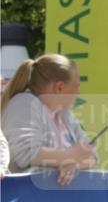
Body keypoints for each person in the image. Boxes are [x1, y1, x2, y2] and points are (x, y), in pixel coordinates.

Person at [1, 54, 98, 186]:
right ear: (59, 87)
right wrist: (70, 156)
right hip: (23, 195)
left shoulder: (65, 114)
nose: (78, 92)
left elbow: (93, 156)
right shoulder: (24, 104)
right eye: (76, 86)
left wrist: (73, 165)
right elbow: (25, 154)